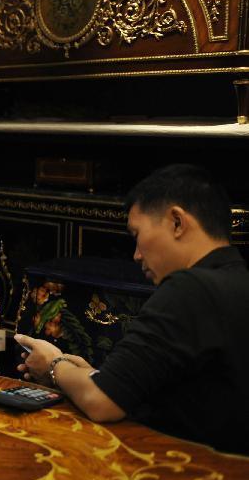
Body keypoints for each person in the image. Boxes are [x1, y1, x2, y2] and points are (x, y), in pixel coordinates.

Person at [16, 164, 249, 455]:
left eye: (137, 234)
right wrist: (99, 376)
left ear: (177, 222)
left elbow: (101, 402)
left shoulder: (189, 288)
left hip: (182, 478)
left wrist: (53, 365)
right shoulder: (235, 279)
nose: (136, 255)